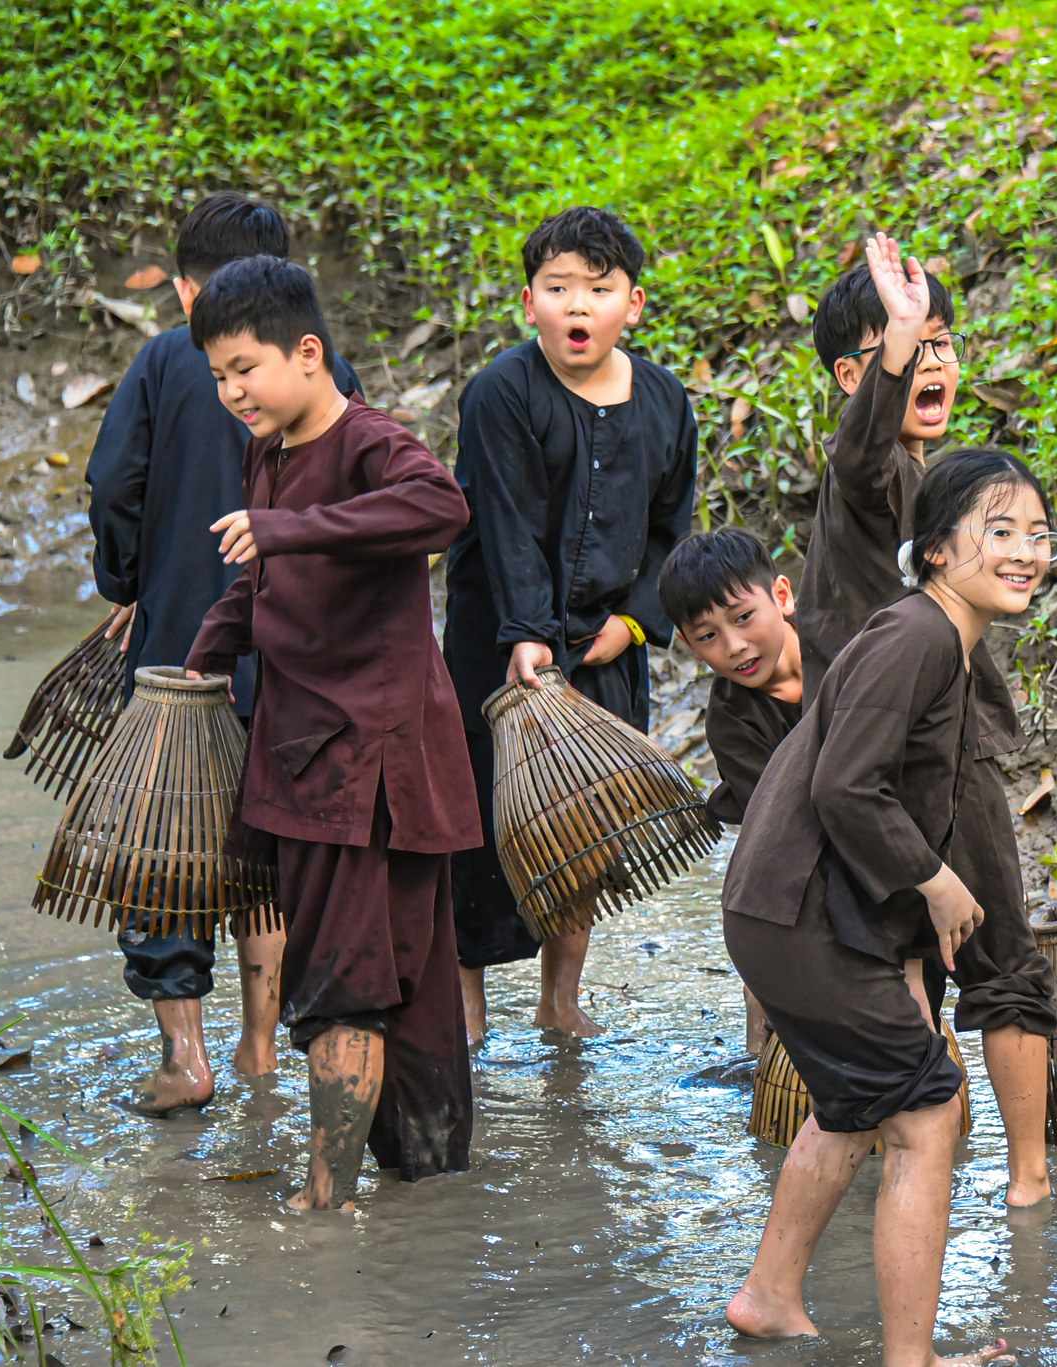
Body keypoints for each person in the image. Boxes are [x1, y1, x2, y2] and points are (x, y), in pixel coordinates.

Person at [722, 448, 1053, 1367]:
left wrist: (908, 935)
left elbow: (892, 794)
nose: (1025, 551)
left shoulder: (939, 639)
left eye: (1038, 534)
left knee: (857, 1102)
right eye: (1000, 532)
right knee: (927, 1111)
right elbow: (847, 787)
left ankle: (769, 1294)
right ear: (938, 549)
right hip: (799, 914)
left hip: (789, 910)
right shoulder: (917, 635)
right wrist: (938, 881)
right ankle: (912, 1360)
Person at [184, 256, 477, 1211]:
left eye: (245, 369)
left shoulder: (369, 441)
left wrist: (291, 529)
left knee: (352, 982)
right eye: (219, 376)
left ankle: (324, 1202)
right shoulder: (265, 450)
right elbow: (262, 572)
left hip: (371, 767)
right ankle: (431, 1195)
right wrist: (209, 652)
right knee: (398, 979)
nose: (232, 393)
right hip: (307, 751)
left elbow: (443, 506)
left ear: (308, 353)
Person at [86, 192, 362, 1116]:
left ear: (184, 287)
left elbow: (115, 481)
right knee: (269, 843)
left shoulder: (169, 359)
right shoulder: (326, 373)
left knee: (166, 845)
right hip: (290, 658)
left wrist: (126, 582)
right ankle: (259, 1044)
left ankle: (184, 1057)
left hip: (180, 650)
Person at [797, 232, 1056, 1208]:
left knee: (996, 961)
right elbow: (861, 443)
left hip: (950, 762)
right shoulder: (868, 477)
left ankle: (1024, 1185)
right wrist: (897, 339)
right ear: (853, 375)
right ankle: (928, 1170)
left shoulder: (933, 486)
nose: (934, 362)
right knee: (905, 961)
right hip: (877, 778)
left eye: (944, 341)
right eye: (908, 347)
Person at [440, 206, 697, 1048]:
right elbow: (506, 522)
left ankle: (560, 997)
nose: (577, 307)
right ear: (528, 302)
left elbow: (671, 529)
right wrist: (527, 634)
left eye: (598, 289)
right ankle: (467, 1004)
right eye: (558, 289)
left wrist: (634, 623)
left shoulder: (664, 402)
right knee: (477, 820)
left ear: (635, 304)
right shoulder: (501, 394)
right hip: (497, 642)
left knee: (584, 825)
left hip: (605, 643)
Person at [658, 527, 803, 1053]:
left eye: (744, 618)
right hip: (789, 852)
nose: (735, 646)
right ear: (689, 646)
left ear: (782, 597)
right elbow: (784, 825)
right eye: (708, 636)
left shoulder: (845, 652)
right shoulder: (731, 720)